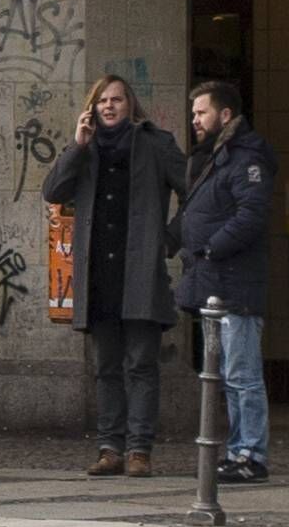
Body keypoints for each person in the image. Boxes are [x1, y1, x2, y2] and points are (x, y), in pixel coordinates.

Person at [41, 74, 185, 474]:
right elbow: (53, 192)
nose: (109, 106)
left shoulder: (157, 144)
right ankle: (110, 448)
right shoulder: (85, 149)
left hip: (139, 270)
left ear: (130, 104)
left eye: (116, 100)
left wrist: (168, 239)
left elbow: (195, 193)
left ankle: (140, 450)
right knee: (106, 367)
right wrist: (76, 145)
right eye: (102, 100)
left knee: (141, 364)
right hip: (98, 272)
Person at [181, 77, 277, 484]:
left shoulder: (244, 158)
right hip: (217, 282)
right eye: (193, 114)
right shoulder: (218, 156)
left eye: (201, 112)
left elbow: (251, 215)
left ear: (225, 114)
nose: (195, 120)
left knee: (242, 376)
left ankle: (249, 455)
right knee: (228, 377)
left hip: (235, 283)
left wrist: (210, 247)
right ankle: (240, 450)